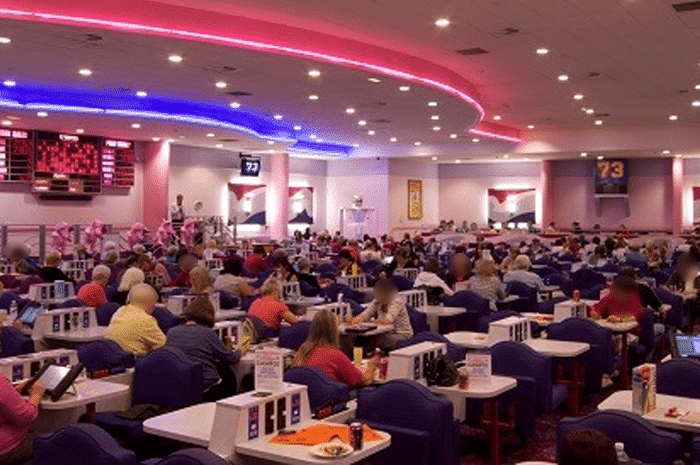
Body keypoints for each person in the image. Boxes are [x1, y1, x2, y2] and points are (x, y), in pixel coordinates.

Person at [166, 297, 245, 401]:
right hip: (205, 385)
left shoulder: (171, 332)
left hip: (177, 382)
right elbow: (231, 358)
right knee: (227, 374)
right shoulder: (207, 333)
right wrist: (241, 350)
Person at [293, 310, 378, 388]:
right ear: (334, 331)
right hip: (329, 400)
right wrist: (372, 365)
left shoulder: (302, 352)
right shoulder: (335, 355)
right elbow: (364, 380)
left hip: (307, 400)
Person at [349, 278, 413, 350]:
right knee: (360, 339)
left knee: (374, 340)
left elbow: (387, 320)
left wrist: (370, 321)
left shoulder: (396, 301)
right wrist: (355, 320)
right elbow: (365, 314)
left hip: (402, 335)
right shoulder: (377, 300)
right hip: (386, 332)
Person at [105, 283, 166, 356]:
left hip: (112, 357)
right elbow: (163, 345)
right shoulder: (145, 319)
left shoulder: (120, 310)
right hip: (132, 362)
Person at [0, 375, 45, 465]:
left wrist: (12, 393)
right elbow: (27, 417)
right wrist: (36, 395)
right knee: (51, 443)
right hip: (5, 450)